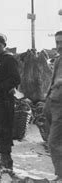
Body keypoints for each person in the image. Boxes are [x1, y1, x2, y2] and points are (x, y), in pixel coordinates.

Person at [0, 33, 21, 171]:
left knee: (4, 128)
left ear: (4, 46)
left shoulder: (9, 59)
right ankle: (3, 159)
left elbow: (15, 79)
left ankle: (7, 161)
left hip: (6, 99)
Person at [44, 30, 62, 180]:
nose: (59, 46)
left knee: (53, 142)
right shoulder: (57, 60)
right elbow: (53, 80)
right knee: (55, 142)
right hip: (53, 103)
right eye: (57, 42)